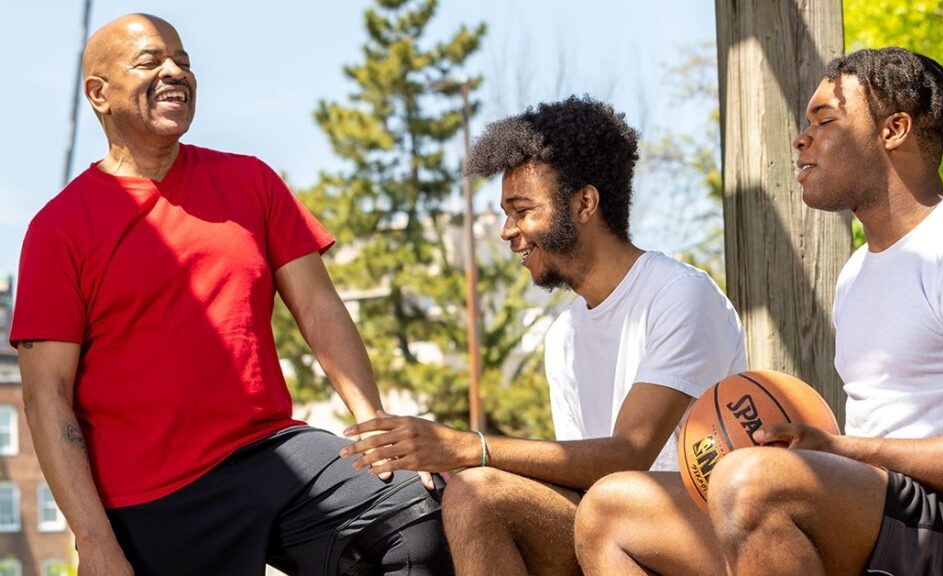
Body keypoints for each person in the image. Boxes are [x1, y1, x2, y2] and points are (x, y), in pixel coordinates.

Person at [575, 47, 943, 576]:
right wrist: (833, 457)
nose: (801, 138)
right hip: (876, 512)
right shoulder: (856, 274)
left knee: (751, 481)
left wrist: (846, 452)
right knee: (611, 508)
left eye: (825, 120)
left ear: (893, 129)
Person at [11, 14, 451, 576]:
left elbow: (319, 308)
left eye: (184, 62)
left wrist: (374, 423)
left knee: (417, 518)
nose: (174, 72)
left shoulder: (251, 182)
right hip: (148, 495)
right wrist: (94, 541)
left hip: (269, 453)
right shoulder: (59, 229)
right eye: (151, 62)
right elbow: (46, 394)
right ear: (98, 93)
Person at [338, 95, 749, 575]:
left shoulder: (678, 294)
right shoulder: (565, 336)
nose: (507, 231)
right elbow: (581, 480)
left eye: (522, 210)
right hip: (607, 522)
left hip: (701, 531)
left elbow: (629, 452)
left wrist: (468, 446)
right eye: (506, 213)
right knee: (475, 494)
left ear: (584, 203)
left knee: (610, 500)